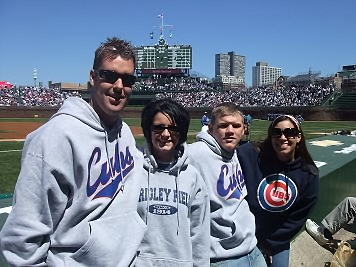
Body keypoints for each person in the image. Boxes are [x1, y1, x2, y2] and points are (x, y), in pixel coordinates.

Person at [0, 37, 147, 266]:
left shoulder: (124, 133)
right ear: (92, 77)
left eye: (127, 79)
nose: (119, 86)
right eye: (109, 75)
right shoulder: (54, 138)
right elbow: (23, 238)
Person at [188, 102, 266, 267]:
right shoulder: (196, 153)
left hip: (252, 249)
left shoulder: (235, 152)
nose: (230, 131)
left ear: (243, 129)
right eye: (223, 126)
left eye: (236, 125)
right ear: (210, 128)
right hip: (222, 257)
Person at [135, 98, 210, 266]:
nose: (166, 134)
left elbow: (199, 234)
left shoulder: (192, 176)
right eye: (158, 127)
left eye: (173, 128)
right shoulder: (133, 170)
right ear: (148, 130)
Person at [237, 114, 319, 266]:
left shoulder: (308, 174)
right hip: (243, 236)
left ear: (299, 137)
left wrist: (269, 243)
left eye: (289, 132)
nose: (282, 137)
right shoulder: (250, 154)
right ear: (270, 136)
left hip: (276, 240)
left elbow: (296, 219)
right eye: (277, 132)